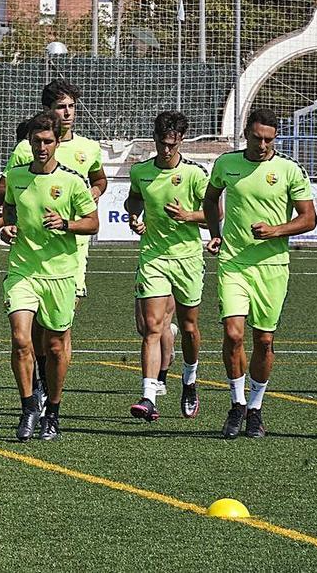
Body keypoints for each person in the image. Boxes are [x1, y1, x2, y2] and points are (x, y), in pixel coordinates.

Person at [0, 80, 106, 410]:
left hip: (69, 255)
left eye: (72, 105)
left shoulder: (87, 151)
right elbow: (6, 197)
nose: (68, 112)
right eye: (61, 106)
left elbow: (97, 182)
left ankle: (50, 391)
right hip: (27, 259)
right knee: (27, 334)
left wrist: (88, 200)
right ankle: (36, 390)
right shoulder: (22, 154)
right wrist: (6, 222)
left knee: (56, 335)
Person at [204, 108, 316, 439]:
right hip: (234, 262)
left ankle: (255, 408)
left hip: (272, 266)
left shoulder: (289, 170)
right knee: (233, 334)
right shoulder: (227, 164)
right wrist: (215, 233)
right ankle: (236, 404)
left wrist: (276, 230)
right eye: (257, 137)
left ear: (275, 138)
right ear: (246, 134)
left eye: (269, 139)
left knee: (264, 342)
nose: (263, 144)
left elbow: (309, 218)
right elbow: (211, 200)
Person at [124, 111, 208, 421]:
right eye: (162, 142)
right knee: (152, 327)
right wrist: (134, 217)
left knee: (188, 328)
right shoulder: (142, 172)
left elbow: (216, 214)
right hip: (154, 258)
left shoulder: (196, 174)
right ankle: (148, 396)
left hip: (187, 259)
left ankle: (189, 379)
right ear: (155, 139)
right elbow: (133, 199)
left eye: (172, 143)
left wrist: (189, 216)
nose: (166, 149)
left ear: (181, 140)